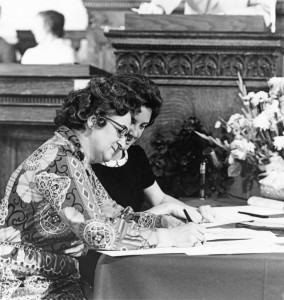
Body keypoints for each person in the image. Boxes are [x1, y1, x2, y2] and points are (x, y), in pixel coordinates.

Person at [0, 74, 206, 299]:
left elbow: (114, 215)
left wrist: (162, 221)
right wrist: (170, 238)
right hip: (26, 287)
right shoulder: (60, 160)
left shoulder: (75, 158)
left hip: (54, 282)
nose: (123, 141)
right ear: (94, 119)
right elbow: (99, 233)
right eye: (120, 130)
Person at [92, 73, 214, 223]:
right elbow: (106, 225)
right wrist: (166, 210)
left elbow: (160, 199)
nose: (135, 133)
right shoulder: (89, 159)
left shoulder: (135, 155)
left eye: (142, 126)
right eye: (132, 122)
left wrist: (194, 213)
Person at [136, 0, 277, 32]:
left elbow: (264, 12)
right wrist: (158, 7)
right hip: (193, 42)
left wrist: (224, 18)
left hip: (243, 45)